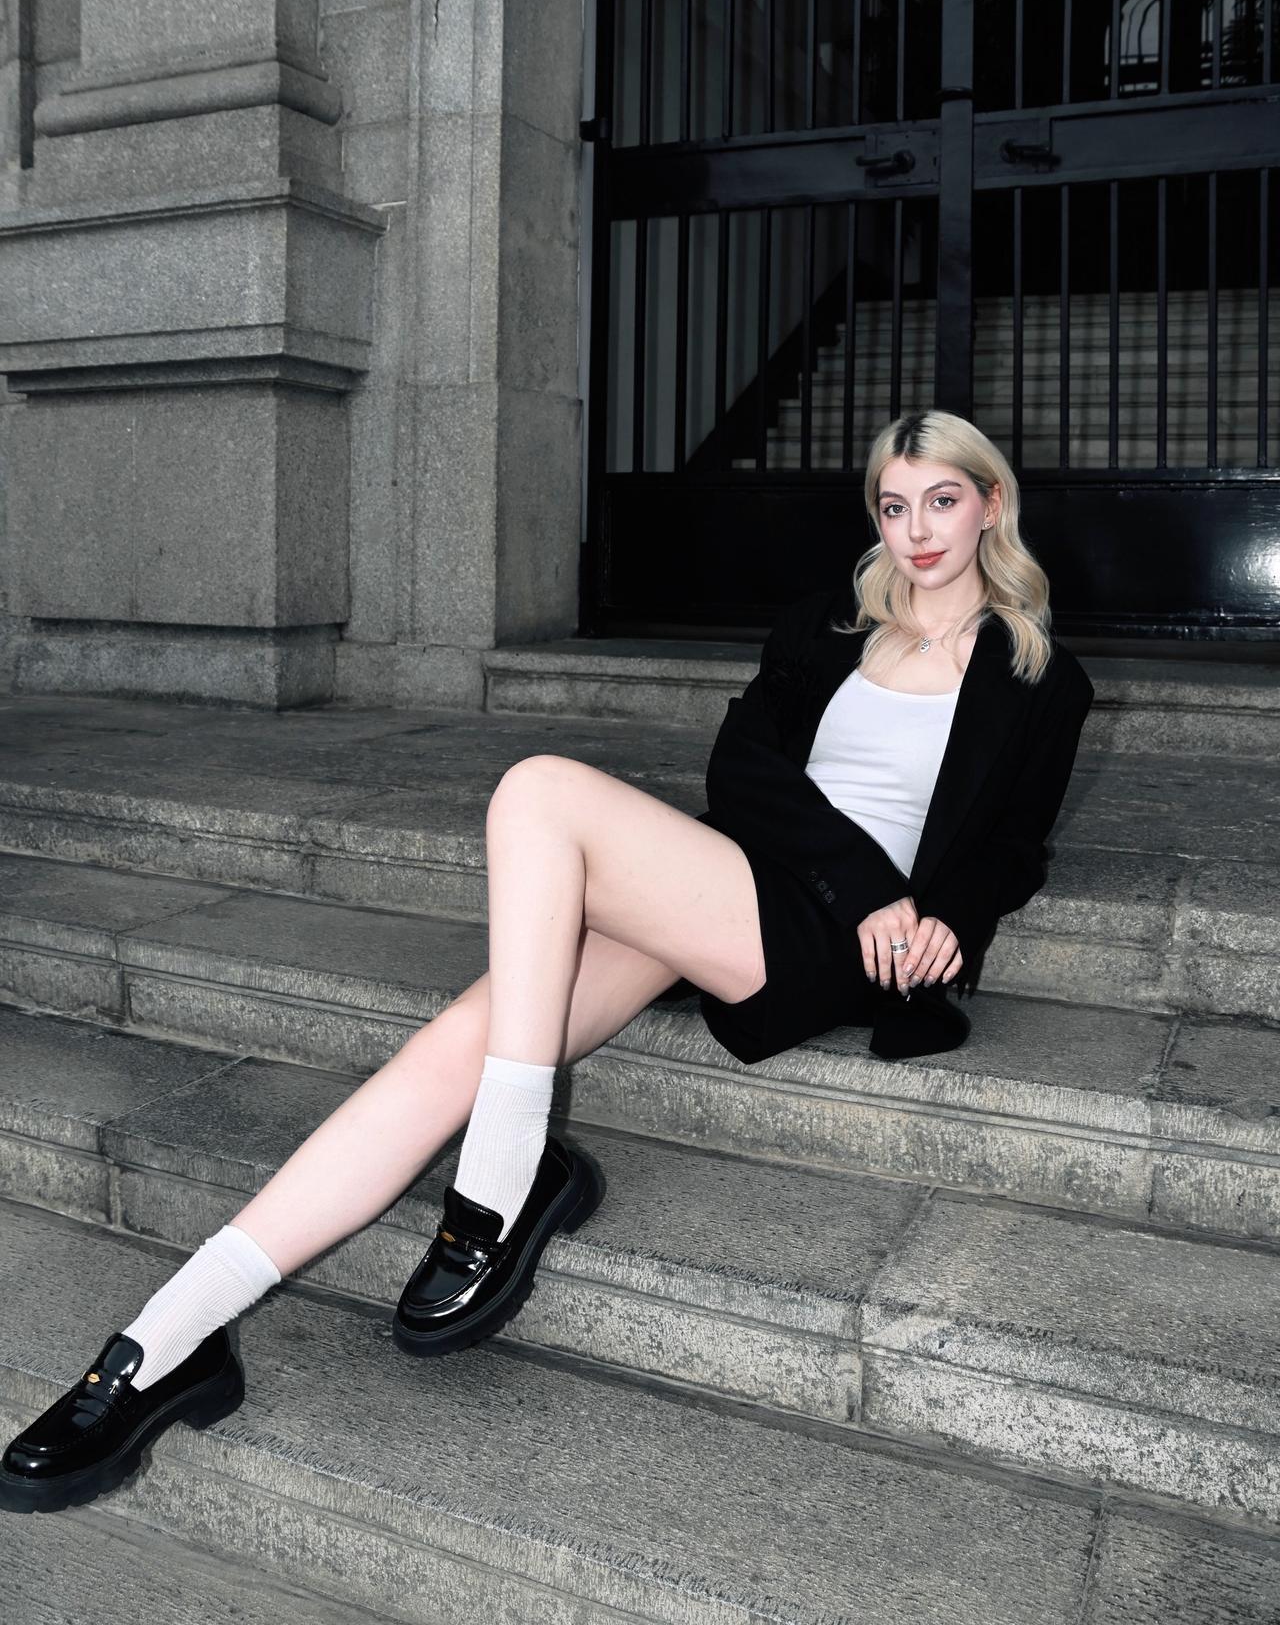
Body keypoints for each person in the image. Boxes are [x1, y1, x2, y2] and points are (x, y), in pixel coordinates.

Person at [0, 408, 1094, 1513]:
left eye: (941, 501)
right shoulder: (825, 626)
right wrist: (855, 879)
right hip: (744, 885)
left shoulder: (1039, 676)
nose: (917, 532)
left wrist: (943, 916)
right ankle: (165, 1340)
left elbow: (1014, 847)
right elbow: (743, 773)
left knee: (538, 791)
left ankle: (504, 1172)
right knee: (458, 1043)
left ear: (989, 504)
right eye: (894, 507)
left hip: (846, 944)